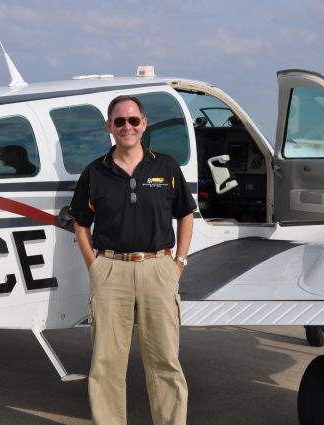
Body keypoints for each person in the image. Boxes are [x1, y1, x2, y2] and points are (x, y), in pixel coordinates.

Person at [68, 95, 195, 425]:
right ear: (109, 127)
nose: (127, 127)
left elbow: (185, 214)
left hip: (159, 269)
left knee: (165, 361)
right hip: (111, 271)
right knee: (106, 364)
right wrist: (95, 267)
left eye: (133, 120)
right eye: (120, 121)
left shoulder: (166, 166)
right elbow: (80, 223)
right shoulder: (95, 173)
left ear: (144, 124)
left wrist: (178, 262)